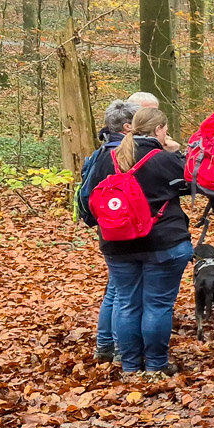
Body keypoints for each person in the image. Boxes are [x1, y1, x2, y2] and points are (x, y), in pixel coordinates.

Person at [93, 106, 192, 377]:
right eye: (165, 130)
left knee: (126, 302)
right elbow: (191, 182)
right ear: (159, 130)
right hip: (163, 242)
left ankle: (129, 366)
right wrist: (177, 153)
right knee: (157, 304)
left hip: (117, 242)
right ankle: (156, 366)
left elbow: (91, 197)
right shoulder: (162, 158)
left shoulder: (106, 158)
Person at [79, 98, 139, 363]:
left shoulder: (100, 152)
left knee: (115, 288)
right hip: (121, 228)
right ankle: (117, 348)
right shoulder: (121, 154)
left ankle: (104, 344)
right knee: (121, 292)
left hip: (106, 226)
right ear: (127, 126)